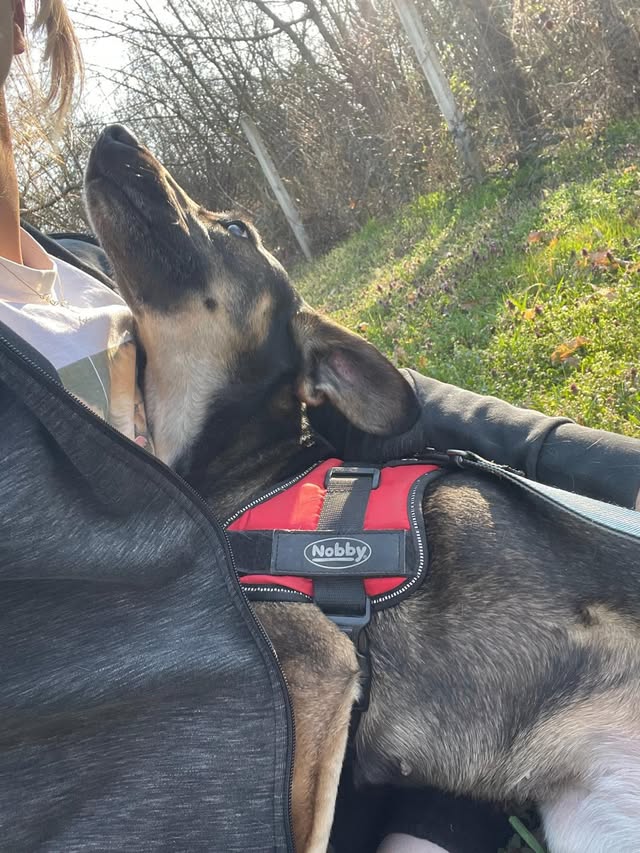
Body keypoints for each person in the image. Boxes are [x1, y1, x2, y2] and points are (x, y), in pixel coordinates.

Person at [1, 4, 639, 853]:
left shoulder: (87, 265)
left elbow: (410, 409)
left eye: (230, 228)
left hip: (550, 719)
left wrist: (609, 471)